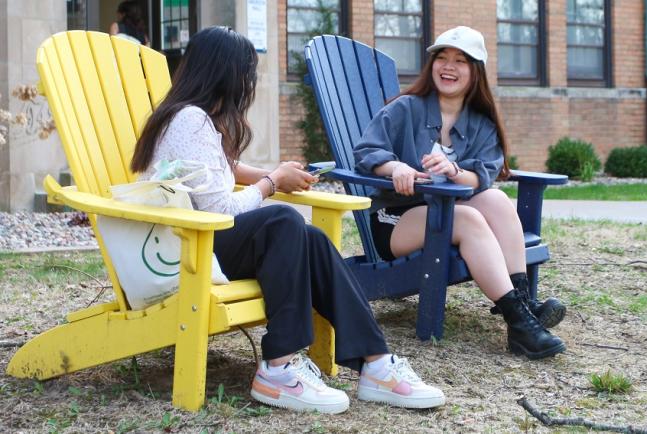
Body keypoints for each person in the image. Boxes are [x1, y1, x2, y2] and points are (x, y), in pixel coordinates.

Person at [130, 26, 445, 414]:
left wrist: (271, 173)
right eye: (248, 73)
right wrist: (271, 183)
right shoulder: (190, 121)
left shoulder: (189, 118)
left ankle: (376, 362)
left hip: (199, 243)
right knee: (281, 222)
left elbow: (219, 169)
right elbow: (220, 212)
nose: (250, 82)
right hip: (185, 251)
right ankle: (278, 367)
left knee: (309, 238)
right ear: (226, 74)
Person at [354, 26, 567, 360]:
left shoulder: (480, 123)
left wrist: (454, 170)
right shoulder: (406, 109)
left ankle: (522, 309)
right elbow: (366, 151)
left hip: (445, 216)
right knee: (465, 218)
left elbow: (480, 178)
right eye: (442, 58)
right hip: (396, 221)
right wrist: (396, 168)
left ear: (474, 72)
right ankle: (522, 319)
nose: (448, 66)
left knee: (495, 198)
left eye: (460, 61)